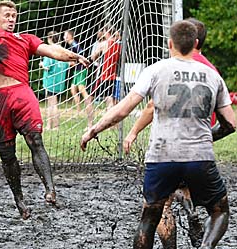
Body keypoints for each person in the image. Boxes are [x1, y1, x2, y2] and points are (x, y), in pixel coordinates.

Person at [81, 20, 236, 249]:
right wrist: (204, 136)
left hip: (161, 157)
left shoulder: (155, 70)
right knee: (219, 210)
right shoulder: (212, 76)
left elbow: (123, 109)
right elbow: (231, 124)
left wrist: (94, 129)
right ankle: (205, 246)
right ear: (195, 43)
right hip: (199, 157)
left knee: (149, 220)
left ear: (169, 43)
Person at [0, 0, 89, 219]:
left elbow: (52, 50)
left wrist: (74, 56)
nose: (11, 18)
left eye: (14, 15)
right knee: (8, 155)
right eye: (7, 15)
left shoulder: (25, 39)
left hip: (21, 93)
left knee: (35, 139)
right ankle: (19, 200)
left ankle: (50, 189)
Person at [122, 17, 219, 248]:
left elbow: (151, 105)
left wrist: (132, 132)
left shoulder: (174, 67)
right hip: (201, 147)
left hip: (172, 146)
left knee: (161, 206)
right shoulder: (212, 70)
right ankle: (190, 206)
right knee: (188, 185)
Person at [40, 31, 69, 130]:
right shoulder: (63, 50)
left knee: (51, 105)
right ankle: (54, 126)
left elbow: (47, 67)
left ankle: (51, 126)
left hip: (50, 81)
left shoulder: (50, 50)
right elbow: (67, 64)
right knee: (54, 104)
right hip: (60, 81)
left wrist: (42, 65)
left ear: (50, 39)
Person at [64, 29, 94, 128]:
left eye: (65, 35)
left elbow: (82, 55)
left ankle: (89, 102)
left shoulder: (74, 45)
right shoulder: (71, 45)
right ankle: (78, 110)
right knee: (72, 89)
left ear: (70, 36)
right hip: (77, 70)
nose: (64, 37)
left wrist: (73, 63)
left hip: (81, 70)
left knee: (82, 90)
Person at [90, 25, 121, 110]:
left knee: (89, 99)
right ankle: (111, 120)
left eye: (104, 32)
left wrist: (97, 56)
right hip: (112, 75)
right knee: (109, 98)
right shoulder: (118, 46)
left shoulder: (104, 44)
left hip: (102, 75)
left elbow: (93, 57)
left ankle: (90, 123)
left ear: (107, 33)